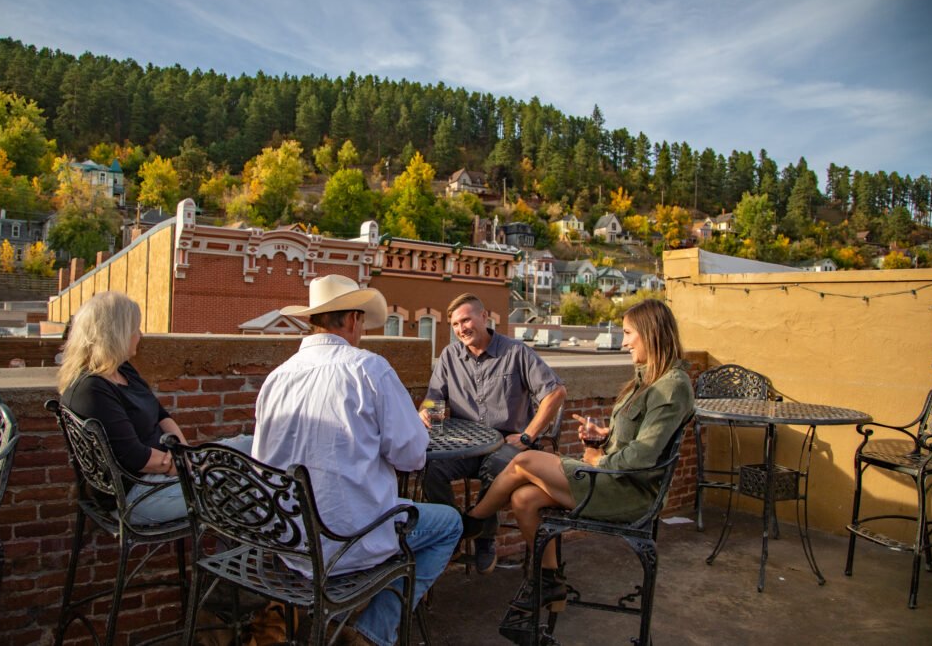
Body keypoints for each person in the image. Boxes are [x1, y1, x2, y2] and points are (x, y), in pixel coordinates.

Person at [253, 275, 462, 646]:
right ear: (352, 319)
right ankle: (373, 633)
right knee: (449, 523)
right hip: (347, 541)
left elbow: (263, 463)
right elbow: (413, 456)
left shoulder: (277, 378)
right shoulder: (369, 369)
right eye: (362, 321)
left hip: (289, 540)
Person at [463, 298, 694, 612]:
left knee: (524, 461)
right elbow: (642, 438)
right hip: (612, 479)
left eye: (628, 334)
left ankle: (473, 521)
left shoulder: (671, 387)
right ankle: (549, 583)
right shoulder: (648, 381)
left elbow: (643, 456)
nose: (624, 343)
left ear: (650, 332)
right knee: (523, 499)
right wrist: (606, 435)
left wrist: (600, 460)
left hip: (629, 491)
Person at [58, 291, 251, 525]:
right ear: (117, 334)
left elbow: (161, 415)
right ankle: (267, 541)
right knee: (239, 482)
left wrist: (186, 455)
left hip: (167, 470)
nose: (140, 335)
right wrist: (187, 466)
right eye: (135, 329)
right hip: (139, 494)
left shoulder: (122, 369)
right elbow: (136, 457)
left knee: (251, 445)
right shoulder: (92, 390)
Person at [421, 292, 567, 574]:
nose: (461, 329)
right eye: (455, 324)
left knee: (498, 466)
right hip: (466, 445)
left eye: (466, 320)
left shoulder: (515, 352)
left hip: (508, 443)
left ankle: (484, 537)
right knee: (430, 468)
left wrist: (527, 436)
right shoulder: (450, 356)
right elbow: (434, 399)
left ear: (484, 317)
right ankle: (454, 533)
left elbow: (556, 392)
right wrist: (425, 412)